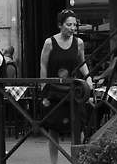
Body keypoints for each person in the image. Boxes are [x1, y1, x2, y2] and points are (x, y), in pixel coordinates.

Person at [38, 10, 89, 139]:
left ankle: (78, 159)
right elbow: (43, 66)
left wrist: (88, 79)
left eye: (74, 25)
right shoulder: (49, 43)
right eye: (68, 25)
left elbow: (82, 63)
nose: (72, 28)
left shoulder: (79, 43)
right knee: (53, 128)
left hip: (73, 89)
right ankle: (53, 160)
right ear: (60, 25)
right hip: (54, 89)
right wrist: (43, 85)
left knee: (78, 125)